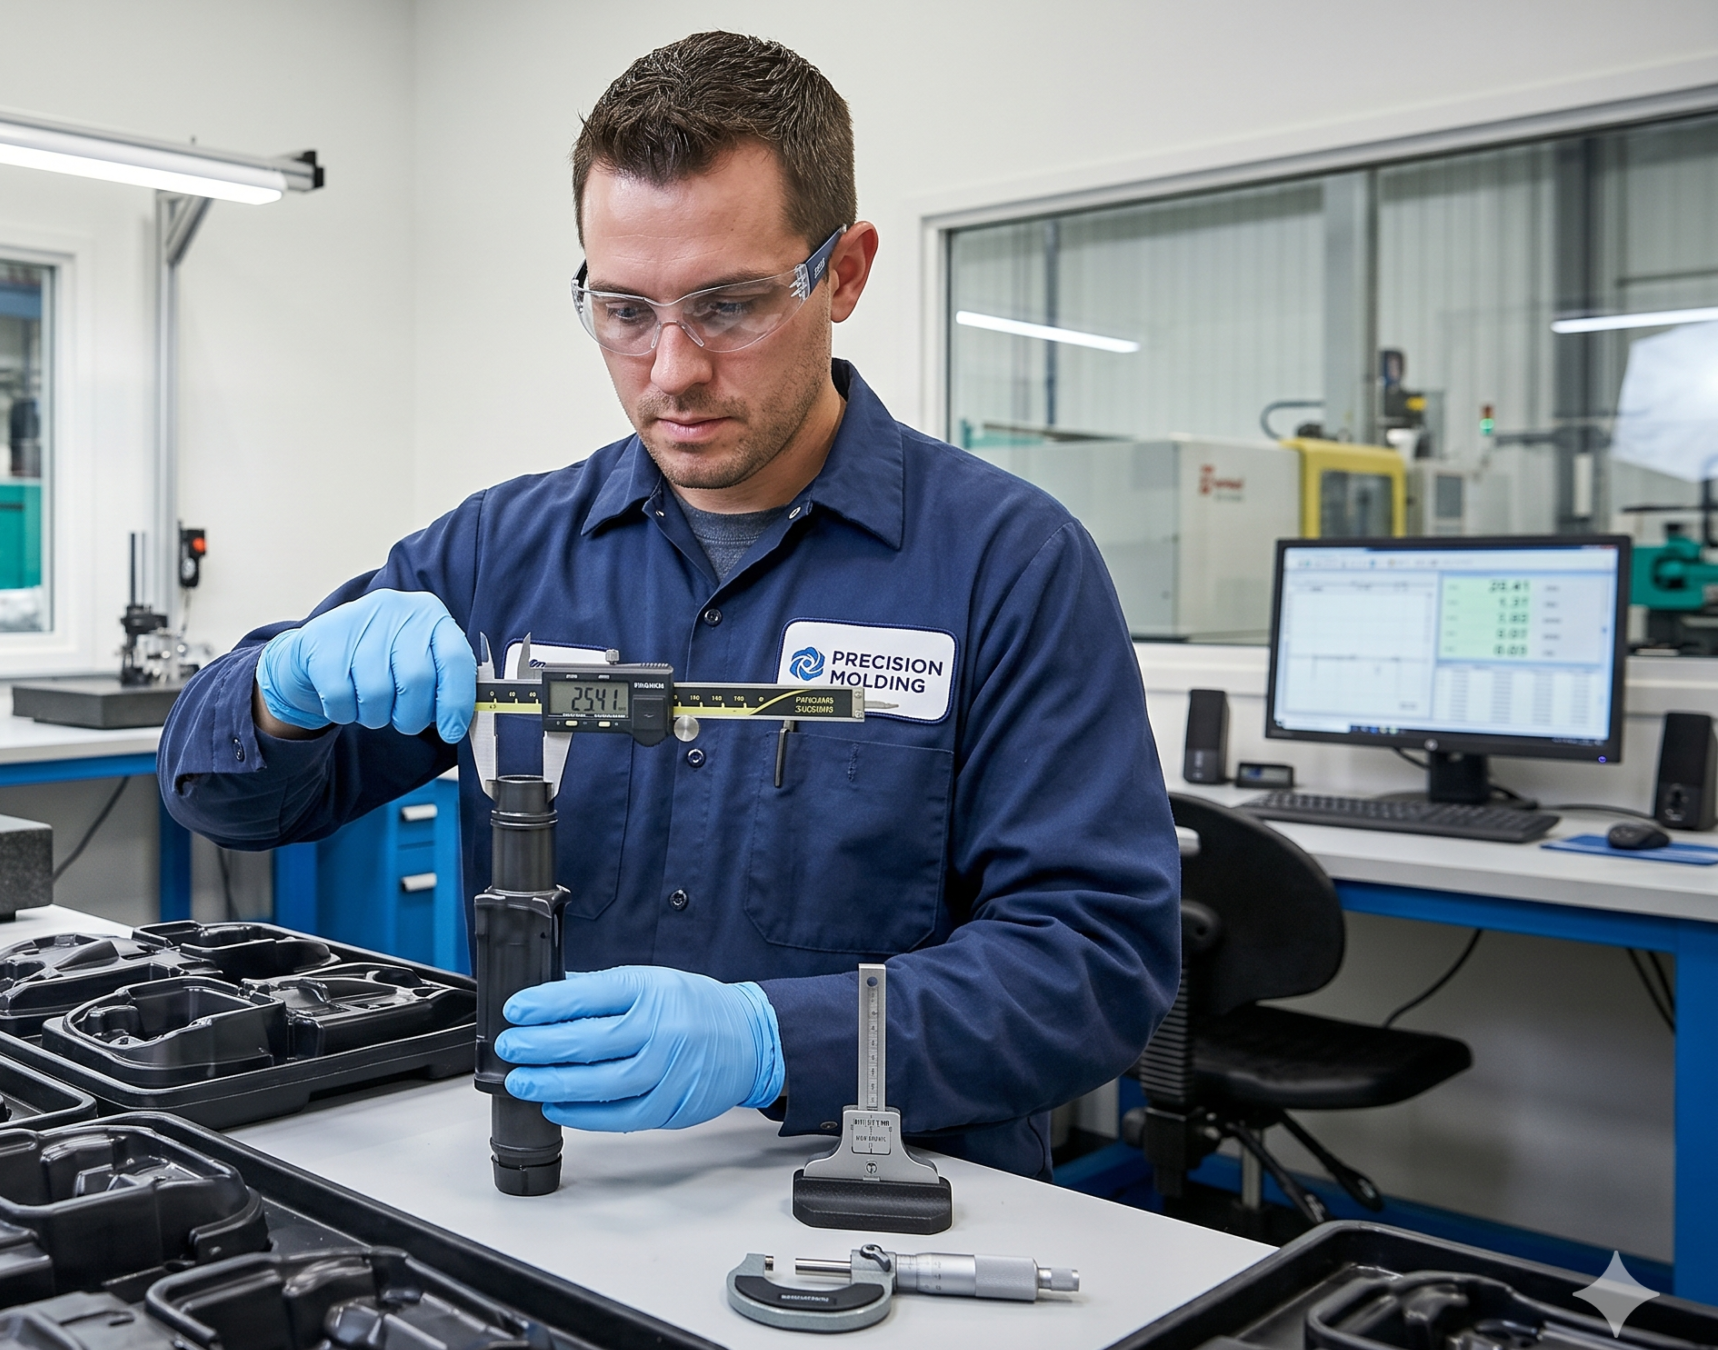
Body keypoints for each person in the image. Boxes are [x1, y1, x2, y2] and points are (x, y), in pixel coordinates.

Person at [156, 31, 1178, 1178]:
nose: (673, 369)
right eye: (623, 309)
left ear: (843, 272)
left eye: (728, 305)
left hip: (880, 1213)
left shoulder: (1009, 563)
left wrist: (772, 1040)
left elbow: (1094, 966)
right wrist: (280, 689)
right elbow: (218, 795)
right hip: (556, 1184)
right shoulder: (503, 552)